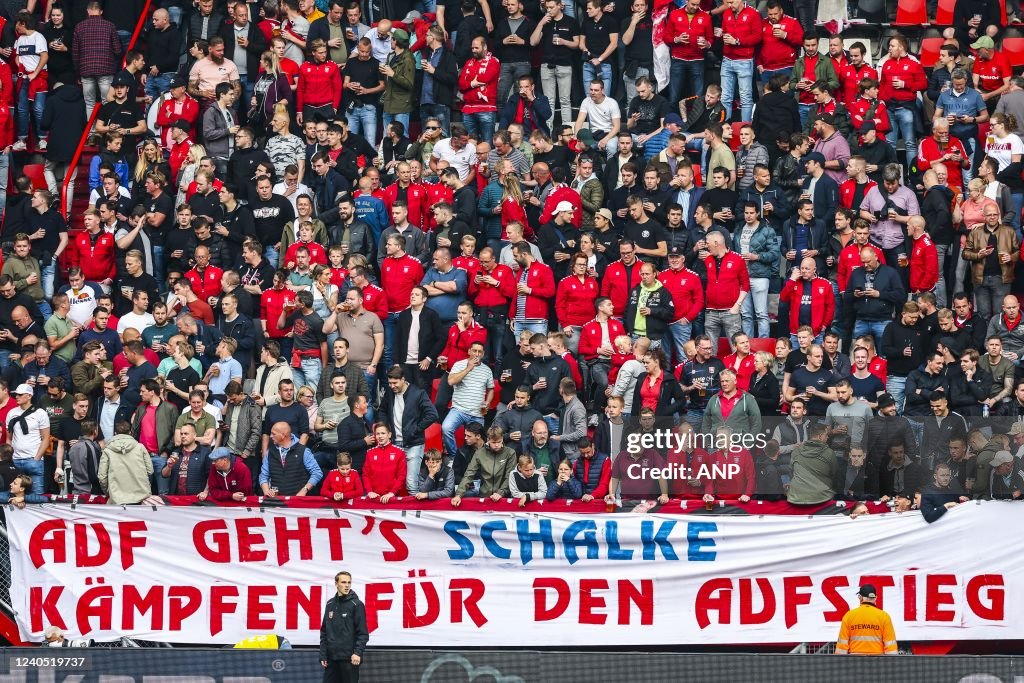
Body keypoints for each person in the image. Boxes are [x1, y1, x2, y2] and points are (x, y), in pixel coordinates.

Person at [319, 570, 369, 681]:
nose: (347, 585)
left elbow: (363, 633)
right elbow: (324, 632)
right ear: (336, 584)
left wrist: (357, 653)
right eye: (343, 582)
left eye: (349, 583)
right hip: (332, 659)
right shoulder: (330, 604)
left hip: (349, 659)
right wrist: (323, 655)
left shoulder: (356, 604)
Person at [98, 420, 154, 505]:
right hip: (141, 497)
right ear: (130, 432)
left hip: (116, 498)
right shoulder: (140, 447)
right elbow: (150, 471)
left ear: (115, 433)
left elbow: (102, 477)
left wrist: (108, 491)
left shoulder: (107, 450)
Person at [835, 584, 898, 655]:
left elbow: (842, 646)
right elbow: (890, 646)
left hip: (855, 661)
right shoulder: (884, 616)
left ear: (860, 597)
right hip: (877, 660)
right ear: (875, 598)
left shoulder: (849, 616)